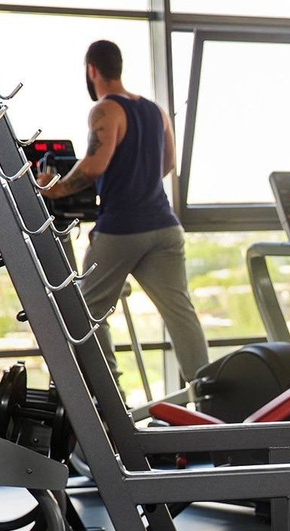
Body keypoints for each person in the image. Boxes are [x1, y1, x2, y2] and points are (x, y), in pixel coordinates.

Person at [37, 40, 208, 396]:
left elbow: (93, 166)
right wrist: (137, 179)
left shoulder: (105, 110)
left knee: (88, 312)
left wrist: (54, 189)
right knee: (180, 312)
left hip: (122, 229)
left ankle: (108, 396)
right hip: (165, 226)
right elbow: (167, 163)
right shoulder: (156, 111)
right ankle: (208, 394)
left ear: (92, 70)